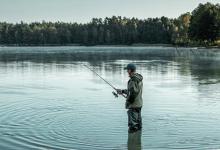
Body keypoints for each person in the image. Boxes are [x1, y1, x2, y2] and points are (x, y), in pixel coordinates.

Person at [117, 63, 143, 133]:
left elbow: (133, 94)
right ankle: (137, 142)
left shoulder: (133, 80)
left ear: (129, 70)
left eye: (127, 70)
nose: (127, 71)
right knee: (138, 126)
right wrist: (122, 91)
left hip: (133, 106)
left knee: (133, 127)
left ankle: (132, 143)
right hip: (138, 104)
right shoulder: (138, 79)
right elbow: (132, 91)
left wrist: (128, 100)